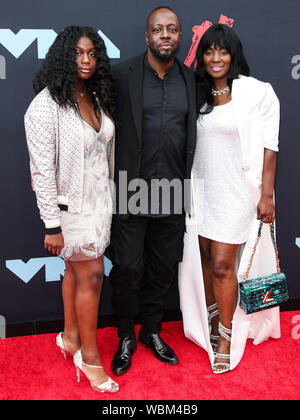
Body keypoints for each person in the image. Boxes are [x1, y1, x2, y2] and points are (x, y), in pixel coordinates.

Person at [178, 24, 281, 374]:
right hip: (202, 190)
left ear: (233, 55)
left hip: (239, 192)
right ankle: (210, 320)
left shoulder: (256, 92)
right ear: (201, 56)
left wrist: (266, 195)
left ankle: (225, 336)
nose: (215, 58)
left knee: (223, 264)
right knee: (205, 259)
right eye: (209, 51)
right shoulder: (198, 93)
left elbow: (271, 146)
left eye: (222, 51)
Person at [24, 26, 118, 392]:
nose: (86, 60)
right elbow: (42, 170)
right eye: (79, 53)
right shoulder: (45, 106)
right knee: (92, 275)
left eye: (93, 53)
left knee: (75, 273)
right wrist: (51, 225)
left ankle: (70, 338)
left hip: (100, 204)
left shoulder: (95, 94)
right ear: (64, 55)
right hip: (69, 210)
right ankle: (90, 358)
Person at [107, 6, 196, 375]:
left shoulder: (192, 79)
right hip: (132, 187)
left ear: (180, 36)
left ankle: (153, 332)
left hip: (174, 187)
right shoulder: (121, 74)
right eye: (158, 29)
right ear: (147, 36)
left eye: (172, 29)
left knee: (162, 269)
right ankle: (126, 335)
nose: (165, 35)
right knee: (128, 268)